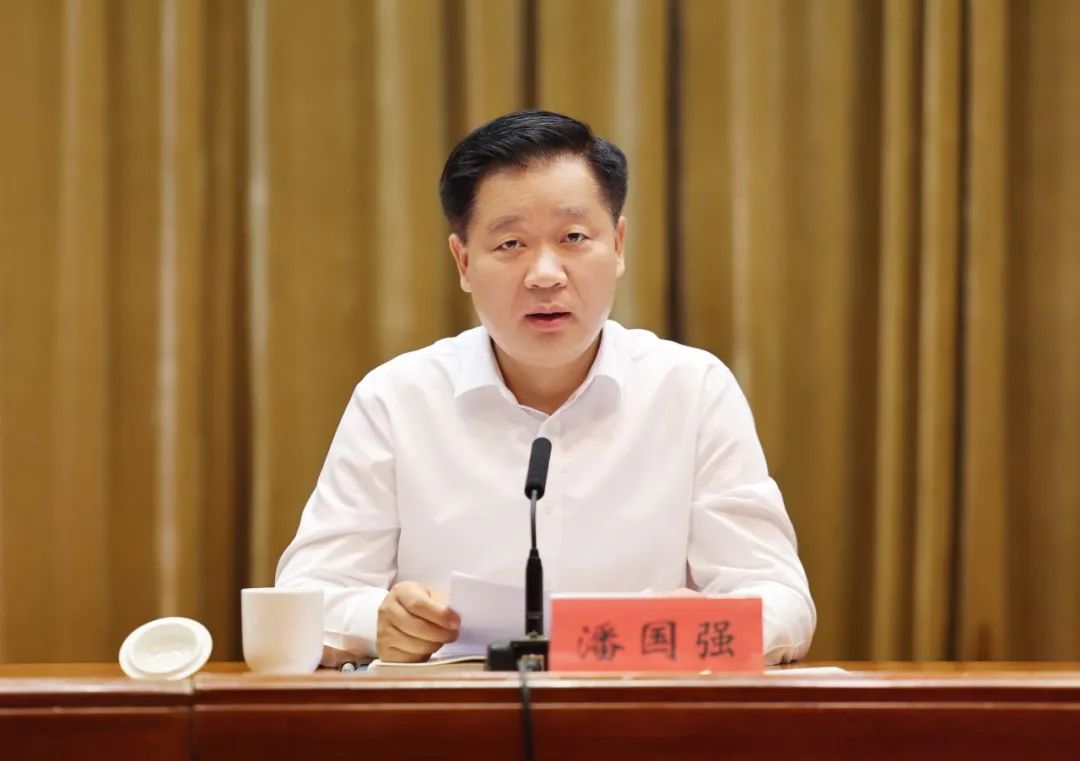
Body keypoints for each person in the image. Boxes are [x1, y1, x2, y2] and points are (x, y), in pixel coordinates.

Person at [275, 110, 815, 665]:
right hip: (455, 714)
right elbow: (306, 595)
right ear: (464, 261)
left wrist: (710, 622)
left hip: (637, 710)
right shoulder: (396, 399)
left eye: (574, 237)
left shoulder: (692, 390)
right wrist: (379, 621)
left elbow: (780, 597)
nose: (545, 274)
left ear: (618, 244)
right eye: (511, 244)